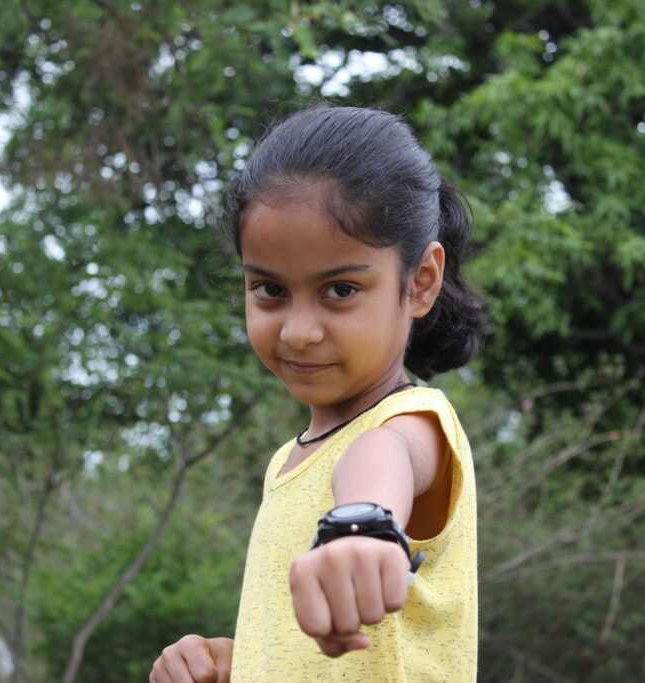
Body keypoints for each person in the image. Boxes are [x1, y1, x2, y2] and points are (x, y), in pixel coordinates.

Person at [150, 105, 485, 682]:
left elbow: (381, 459)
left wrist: (362, 526)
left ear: (421, 281)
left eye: (341, 289)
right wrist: (241, 660)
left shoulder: (416, 424)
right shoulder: (288, 461)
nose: (298, 330)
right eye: (270, 289)